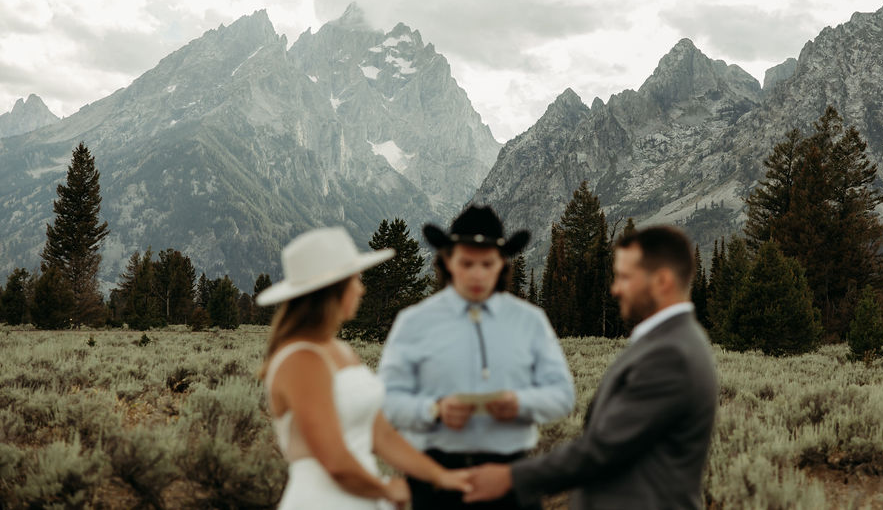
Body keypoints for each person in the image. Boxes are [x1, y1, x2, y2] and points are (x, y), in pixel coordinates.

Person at [464, 225, 718, 509]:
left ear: (662, 281)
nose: (615, 288)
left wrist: (510, 477)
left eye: (624, 277)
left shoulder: (671, 354)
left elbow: (604, 449)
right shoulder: (671, 342)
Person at [256, 227, 472, 509]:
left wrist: (440, 477)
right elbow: (335, 462)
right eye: (354, 280)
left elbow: (381, 435)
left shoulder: (340, 350)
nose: (361, 288)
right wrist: (386, 489)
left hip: (361, 496)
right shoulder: (300, 360)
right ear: (333, 292)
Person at [378, 205, 575, 510]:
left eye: (487, 263)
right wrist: (434, 409)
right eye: (467, 263)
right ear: (447, 260)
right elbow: (386, 400)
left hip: (510, 478)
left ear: (502, 263)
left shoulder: (530, 320)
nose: (477, 274)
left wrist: (520, 404)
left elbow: (563, 395)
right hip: (435, 481)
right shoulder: (414, 322)